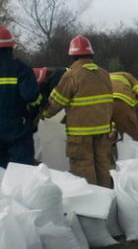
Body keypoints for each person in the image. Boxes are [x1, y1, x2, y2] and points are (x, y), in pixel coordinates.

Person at [41, 35, 114, 188]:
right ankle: (107, 199)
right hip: (103, 130)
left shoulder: (72, 75)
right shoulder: (104, 74)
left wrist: (43, 113)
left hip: (80, 132)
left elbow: (56, 102)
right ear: (91, 54)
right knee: (103, 164)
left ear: (72, 55)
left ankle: (89, 205)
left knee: (83, 166)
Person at [0, 25, 42, 168]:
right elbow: (32, 97)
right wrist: (35, 114)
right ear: (11, 46)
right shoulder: (21, 69)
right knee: (22, 173)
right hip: (18, 128)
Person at [110, 71, 138, 141]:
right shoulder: (131, 79)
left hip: (101, 104)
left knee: (104, 139)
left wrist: (114, 128)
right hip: (120, 100)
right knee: (134, 138)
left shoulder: (105, 76)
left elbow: (114, 115)